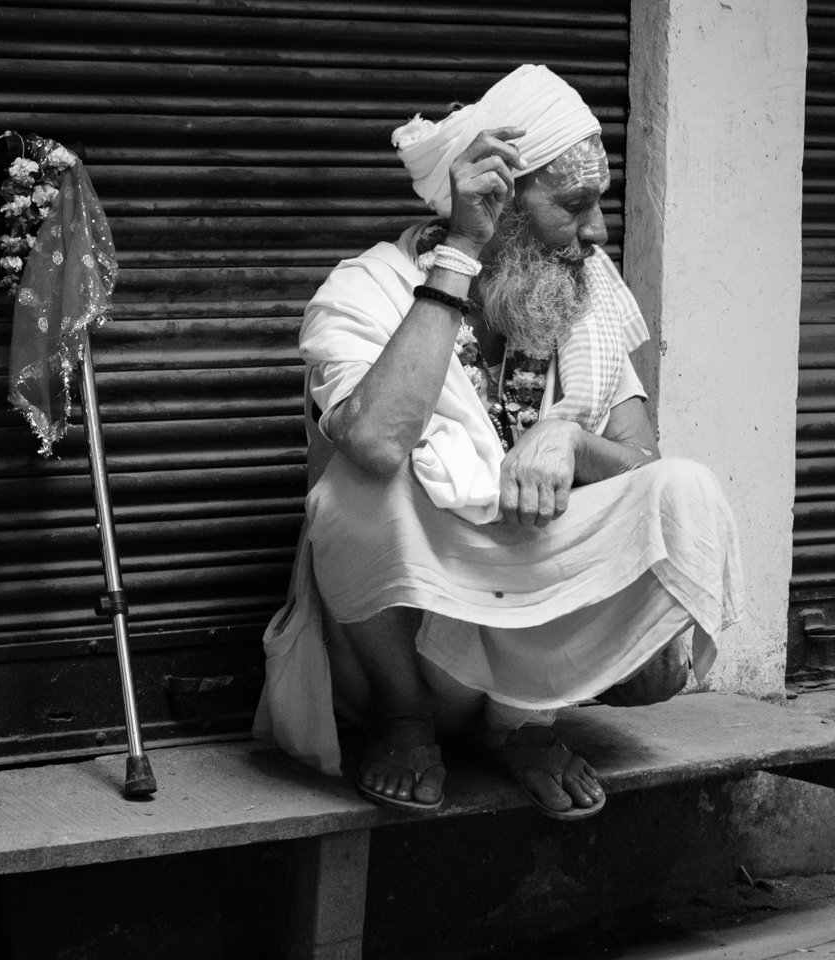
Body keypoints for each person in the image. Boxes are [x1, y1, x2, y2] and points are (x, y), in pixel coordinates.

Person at [254, 65, 743, 820]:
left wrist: (571, 444)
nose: (598, 231)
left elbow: (644, 472)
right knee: (354, 489)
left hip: (536, 637)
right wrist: (461, 250)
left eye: (600, 204)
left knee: (685, 491)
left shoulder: (591, 296)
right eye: (575, 205)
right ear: (501, 206)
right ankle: (406, 723)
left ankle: (522, 723)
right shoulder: (365, 290)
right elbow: (378, 444)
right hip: (405, 641)